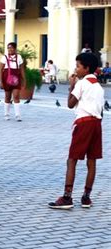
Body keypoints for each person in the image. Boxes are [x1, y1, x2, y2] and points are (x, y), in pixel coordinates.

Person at [48, 53, 104, 209]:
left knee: (72, 160)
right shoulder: (98, 87)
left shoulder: (81, 84)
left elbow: (70, 104)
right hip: (96, 124)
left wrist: (72, 86)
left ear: (86, 69)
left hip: (83, 123)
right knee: (91, 161)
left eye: (78, 66)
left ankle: (67, 197)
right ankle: (86, 197)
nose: (76, 69)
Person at [0, 42, 25, 122]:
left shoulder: (19, 57)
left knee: (16, 96)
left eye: (11, 48)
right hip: (6, 78)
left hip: (16, 78)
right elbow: (0, 70)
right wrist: (1, 81)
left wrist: (24, 80)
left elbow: (22, 69)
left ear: (15, 48)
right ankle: (6, 114)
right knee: (7, 96)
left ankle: (18, 115)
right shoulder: (4, 57)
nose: (9, 49)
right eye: (8, 48)